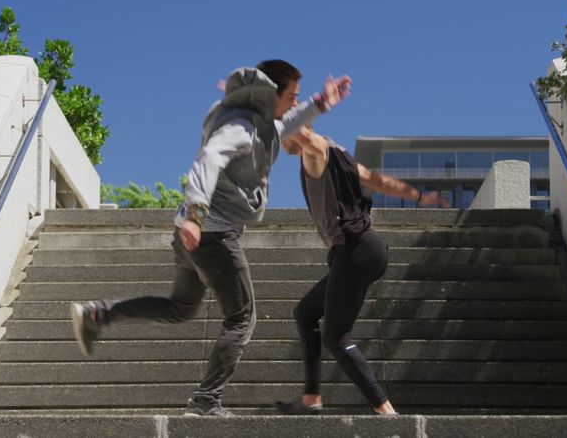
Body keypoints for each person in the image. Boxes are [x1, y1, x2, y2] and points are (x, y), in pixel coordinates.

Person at [69, 60, 352, 417]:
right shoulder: (238, 128)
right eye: (292, 96)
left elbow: (286, 125)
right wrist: (195, 216)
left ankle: (98, 315)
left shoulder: (263, 125)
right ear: (271, 94)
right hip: (209, 235)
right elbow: (208, 161)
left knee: (180, 307)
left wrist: (321, 102)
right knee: (242, 318)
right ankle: (205, 401)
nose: (296, 103)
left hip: (196, 237)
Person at [275, 125, 449, 416]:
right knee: (305, 313)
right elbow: (378, 181)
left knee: (336, 336)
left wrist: (253, 98)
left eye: (283, 137)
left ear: (300, 130)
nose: (280, 144)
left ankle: (386, 411)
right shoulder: (343, 157)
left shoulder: (315, 152)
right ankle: (311, 397)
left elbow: (297, 129)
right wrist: (420, 197)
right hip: (366, 249)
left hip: (354, 250)